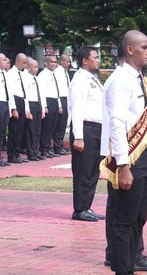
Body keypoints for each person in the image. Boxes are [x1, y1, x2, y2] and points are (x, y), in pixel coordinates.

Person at [100, 30, 147, 275]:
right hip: (129, 159)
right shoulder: (119, 81)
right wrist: (124, 166)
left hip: (144, 154)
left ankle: (130, 270)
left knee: (137, 216)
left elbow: (138, 119)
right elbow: (116, 124)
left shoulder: (139, 79)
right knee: (123, 219)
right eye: (145, 47)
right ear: (130, 50)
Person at [68, 48, 104, 222]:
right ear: (84, 60)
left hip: (97, 129)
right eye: (95, 57)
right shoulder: (80, 80)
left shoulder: (94, 80)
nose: (98, 60)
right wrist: (79, 136)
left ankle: (87, 206)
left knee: (93, 171)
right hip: (86, 129)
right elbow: (77, 108)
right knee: (83, 170)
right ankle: (79, 208)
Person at [38, 55, 62, 158]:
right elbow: (42, 92)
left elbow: (57, 91)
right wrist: (44, 106)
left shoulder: (54, 74)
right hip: (48, 101)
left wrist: (59, 105)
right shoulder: (43, 75)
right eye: (51, 62)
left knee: (52, 126)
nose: (53, 64)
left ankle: (48, 148)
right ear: (46, 63)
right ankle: (44, 149)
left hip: (55, 101)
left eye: (55, 62)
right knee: (46, 127)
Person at [6, 53, 29, 164]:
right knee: (14, 130)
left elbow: (25, 92)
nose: (25, 65)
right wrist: (13, 108)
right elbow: (10, 92)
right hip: (15, 101)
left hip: (22, 101)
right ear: (18, 61)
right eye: (24, 63)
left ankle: (17, 153)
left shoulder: (23, 74)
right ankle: (11, 154)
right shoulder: (10, 73)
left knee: (20, 131)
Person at [24, 58, 45, 161]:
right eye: (34, 66)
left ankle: (35, 151)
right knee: (31, 130)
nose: (36, 69)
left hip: (38, 104)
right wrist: (27, 110)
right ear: (28, 67)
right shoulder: (25, 78)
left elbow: (41, 94)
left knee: (37, 130)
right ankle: (31, 152)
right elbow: (26, 96)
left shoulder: (37, 78)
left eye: (37, 67)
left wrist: (43, 108)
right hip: (31, 104)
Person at [52, 54, 71, 156]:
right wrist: (59, 103)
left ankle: (60, 145)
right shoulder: (58, 72)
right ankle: (57, 146)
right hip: (60, 98)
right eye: (67, 61)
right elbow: (57, 88)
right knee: (59, 124)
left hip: (66, 98)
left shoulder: (65, 72)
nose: (68, 64)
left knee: (63, 124)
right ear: (62, 61)